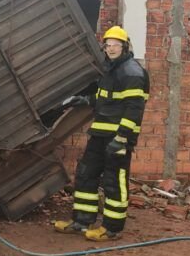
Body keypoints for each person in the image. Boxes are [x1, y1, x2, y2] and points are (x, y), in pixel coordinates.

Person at [54, 26, 150, 241]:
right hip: (99, 134)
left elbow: (134, 109)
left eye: (116, 44)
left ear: (125, 47)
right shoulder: (111, 69)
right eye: (108, 45)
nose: (111, 48)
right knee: (86, 174)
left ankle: (112, 228)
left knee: (113, 181)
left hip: (117, 138)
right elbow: (104, 99)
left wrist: (122, 138)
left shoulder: (131, 72)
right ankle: (81, 221)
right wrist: (85, 100)